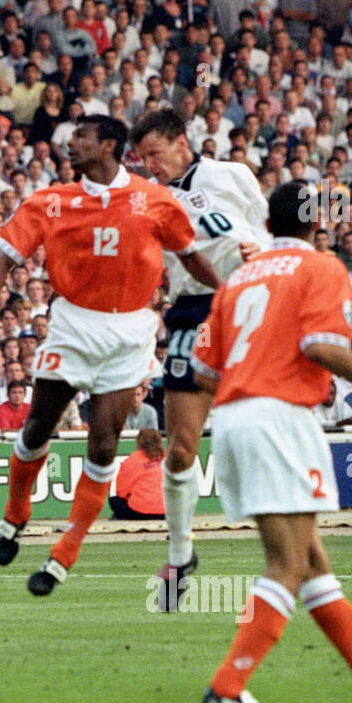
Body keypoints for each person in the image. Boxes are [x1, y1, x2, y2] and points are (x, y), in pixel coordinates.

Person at [191, 180, 352, 703]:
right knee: (287, 561)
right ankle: (227, 684)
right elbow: (318, 347)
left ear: (267, 224)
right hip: (280, 416)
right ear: (317, 224)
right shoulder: (321, 267)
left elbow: (202, 372)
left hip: (233, 417)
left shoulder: (240, 278)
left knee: (311, 558)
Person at [0, 114, 220, 595]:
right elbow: (4, 258)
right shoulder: (50, 201)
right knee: (38, 426)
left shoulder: (154, 200)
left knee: (104, 443)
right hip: (73, 325)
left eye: (81, 136)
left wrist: (229, 288)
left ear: (108, 145)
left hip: (130, 330)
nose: (70, 143)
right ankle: (16, 511)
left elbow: (189, 254)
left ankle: (65, 552)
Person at [129, 108, 270, 611]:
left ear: (181, 142)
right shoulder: (148, 198)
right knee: (182, 448)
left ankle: (294, 552)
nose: (150, 165)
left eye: (155, 154)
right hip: (191, 312)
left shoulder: (231, 174)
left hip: (245, 306)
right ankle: (181, 554)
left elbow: (263, 231)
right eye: (142, 158)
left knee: (258, 433)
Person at [111, 428, 166, 519]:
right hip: (167, 511)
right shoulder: (168, 458)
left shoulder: (132, 459)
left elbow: (121, 491)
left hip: (140, 512)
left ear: (139, 442)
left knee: (114, 500)